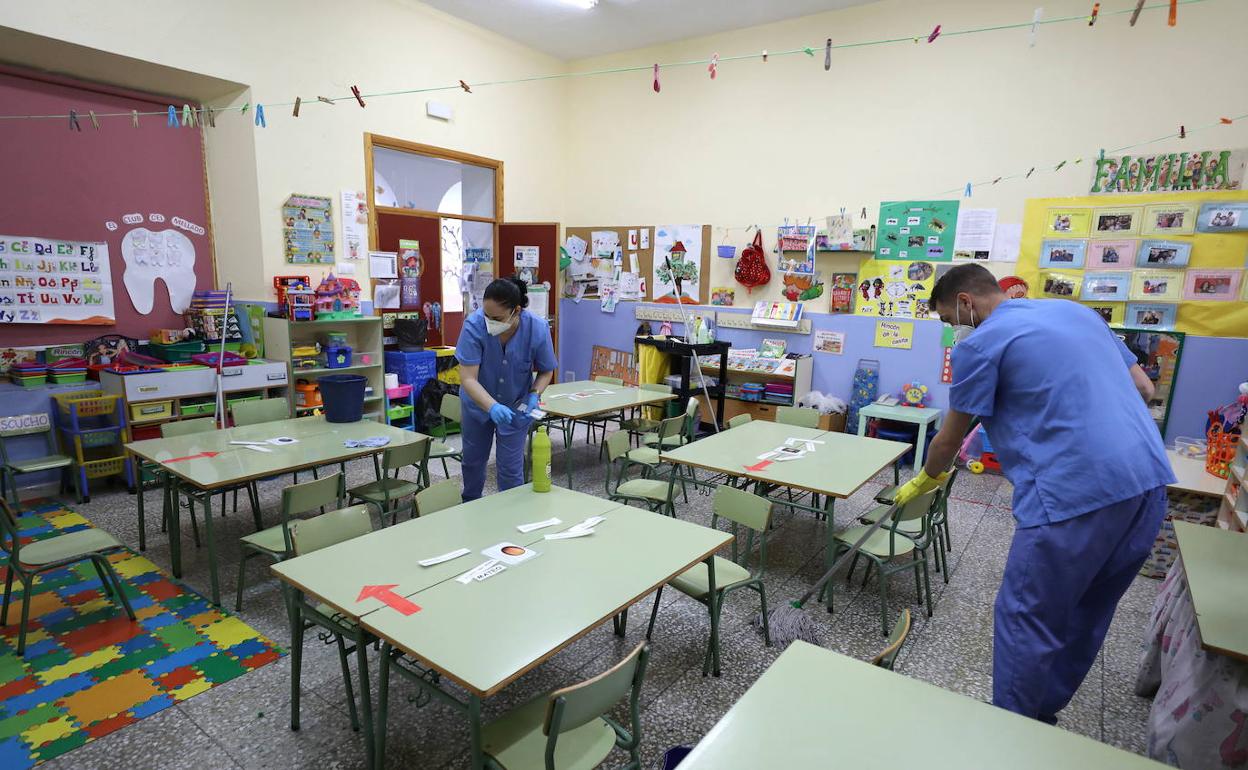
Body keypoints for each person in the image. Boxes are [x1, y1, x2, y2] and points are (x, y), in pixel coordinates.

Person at [892, 264, 1173, 724]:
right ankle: (1040, 713)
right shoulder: (1075, 313)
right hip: (1146, 483)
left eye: (948, 321)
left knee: (1027, 616)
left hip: (1073, 495)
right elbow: (1143, 387)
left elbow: (948, 439)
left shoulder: (981, 344)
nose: (952, 332)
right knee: (1088, 610)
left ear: (965, 302)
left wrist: (926, 478)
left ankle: (1015, 729)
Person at [455, 276, 557, 501]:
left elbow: (546, 370)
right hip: (477, 406)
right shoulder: (474, 326)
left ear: (516, 310)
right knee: (473, 462)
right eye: (486, 315)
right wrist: (491, 406)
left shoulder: (537, 328)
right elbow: (468, 379)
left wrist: (534, 394)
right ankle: (470, 506)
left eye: (497, 317)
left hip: (516, 406)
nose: (490, 321)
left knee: (511, 468)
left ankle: (512, 514)